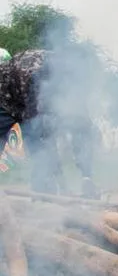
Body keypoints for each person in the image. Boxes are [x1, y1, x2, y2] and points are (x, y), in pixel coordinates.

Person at [0, 49, 100, 198]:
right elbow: (41, 134)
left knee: (44, 137)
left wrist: (87, 176)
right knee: (37, 141)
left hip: (25, 97)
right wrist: (62, 182)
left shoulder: (71, 82)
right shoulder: (32, 76)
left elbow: (82, 128)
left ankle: (45, 196)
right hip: (4, 101)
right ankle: (45, 192)